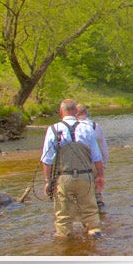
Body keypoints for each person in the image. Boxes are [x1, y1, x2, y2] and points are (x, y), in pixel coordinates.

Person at [40, 99, 105, 239]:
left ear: (60, 112)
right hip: (86, 177)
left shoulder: (53, 129)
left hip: (63, 178)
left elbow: (47, 160)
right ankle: (95, 244)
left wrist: (48, 181)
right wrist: (100, 176)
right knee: (91, 213)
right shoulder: (87, 128)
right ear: (76, 111)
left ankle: (65, 249)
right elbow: (97, 157)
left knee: (63, 217)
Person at [76, 104, 108, 210]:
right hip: (95, 163)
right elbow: (103, 146)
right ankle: (100, 213)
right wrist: (104, 164)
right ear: (86, 113)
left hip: (77, 164)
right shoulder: (95, 126)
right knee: (97, 192)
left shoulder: (72, 127)